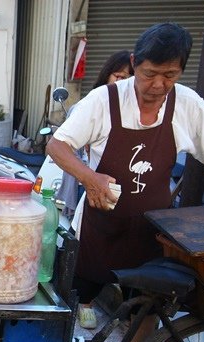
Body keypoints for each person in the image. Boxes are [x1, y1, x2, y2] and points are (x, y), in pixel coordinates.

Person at [46, 22, 204, 342]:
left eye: (170, 75)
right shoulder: (103, 101)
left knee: (145, 311)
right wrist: (89, 176)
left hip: (151, 231)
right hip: (99, 228)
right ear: (134, 62)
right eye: (149, 73)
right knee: (73, 299)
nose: (158, 84)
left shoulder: (187, 103)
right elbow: (57, 146)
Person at [56, 50, 134, 229]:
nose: (124, 84)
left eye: (130, 79)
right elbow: (59, 146)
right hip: (90, 181)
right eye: (119, 77)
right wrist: (87, 177)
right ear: (107, 75)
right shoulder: (90, 105)